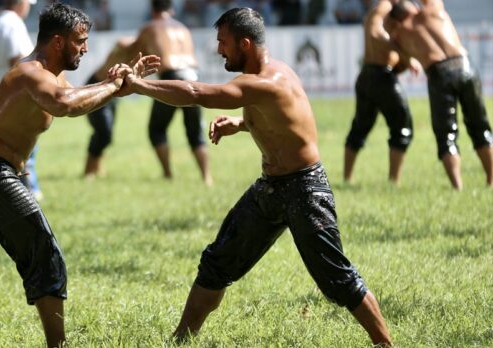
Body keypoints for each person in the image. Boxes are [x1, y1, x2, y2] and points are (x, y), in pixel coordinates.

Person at [117, 7, 392, 346]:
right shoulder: (267, 76)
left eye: (223, 43)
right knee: (216, 262)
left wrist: (139, 85)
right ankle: (181, 340)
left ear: (244, 44)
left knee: (336, 278)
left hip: (305, 190)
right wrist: (242, 123)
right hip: (271, 188)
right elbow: (285, 120)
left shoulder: (268, 80)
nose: (219, 50)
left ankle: (385, 344)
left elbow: (196, 93)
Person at [0, 3, 159, 348]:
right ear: (58, 41)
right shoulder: (31, 73)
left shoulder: (50, 75)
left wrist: (118, 81)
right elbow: (65, 104)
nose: (86, 47)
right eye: (81, 40)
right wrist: (113, 84)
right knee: (45, 257)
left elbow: (79, 96)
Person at [387, 0, 493, 189]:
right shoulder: (433, 9)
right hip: (464, 65)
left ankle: (458, 186)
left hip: (439, 73)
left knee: (446, 135)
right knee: (480, 127)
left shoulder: (400, 35)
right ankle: (491, 180)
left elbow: (400, 63)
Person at [129, 0, 213, 185]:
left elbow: (134, 53)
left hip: (172, 77)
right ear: (172, 9)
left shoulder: (149, 27)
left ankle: (168, 174)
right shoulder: (183, 28)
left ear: (152, 10)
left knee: (156, 129)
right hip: (194, 77)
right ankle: (207, 178)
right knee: (195, 130)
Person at [343, 0, 419, 184]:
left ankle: (347, 178)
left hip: (368, 75)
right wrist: (403, 54)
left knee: (360, 127)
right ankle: (394, 181)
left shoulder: (384, 9)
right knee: (402, 126)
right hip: (381, 77)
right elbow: (375, 33)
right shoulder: (384, 7)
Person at [0, 0, 43, 200]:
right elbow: (19, 61)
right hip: (13, 97)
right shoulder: (14, 24)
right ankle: (27, 191)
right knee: (23, 147)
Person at [83, 37, 135, 178]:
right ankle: (88, 171)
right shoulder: (127, 46)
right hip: (99, 84)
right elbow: (121, 42)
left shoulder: (143, 53)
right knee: (104, 132)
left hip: (114, 91)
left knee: (107, 132)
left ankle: (97, 167)